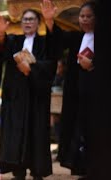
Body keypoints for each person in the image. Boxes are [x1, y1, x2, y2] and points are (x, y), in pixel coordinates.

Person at [0, 8, 57, 180]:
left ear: (38, 23)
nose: (28, 22)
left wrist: (31, 69)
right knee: (15, 133)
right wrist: (0, 34)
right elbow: (0, 53)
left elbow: (51, 64)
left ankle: (37, 172)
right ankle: (18, 171)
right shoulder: (14, 40)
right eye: (25, 20)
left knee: (36, 133)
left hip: (37, 96)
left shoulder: (44, 42)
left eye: (31, 19)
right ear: (21, 23)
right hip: (16, 98)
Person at [41, 0, 96, 178]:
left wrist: (93, 64)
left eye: (89, 16)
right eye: (82, 16)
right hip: (76, 96)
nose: (85, 20)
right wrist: (49, 22)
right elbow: (56, 43)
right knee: (77, 131)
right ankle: (82, 169)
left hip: (98, 97)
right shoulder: (76, 38)